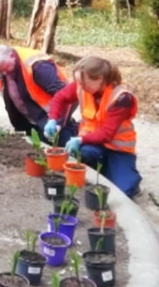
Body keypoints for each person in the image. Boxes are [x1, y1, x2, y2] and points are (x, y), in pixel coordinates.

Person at [46, 56, 142, 198]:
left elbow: (107, 133)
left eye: (83, 82)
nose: (80, 86)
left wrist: (80, 140)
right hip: (92, 145)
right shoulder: (82, 87)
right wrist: (52, 119)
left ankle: (121, 174)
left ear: (99, 78)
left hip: (118, 149)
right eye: (78, 81)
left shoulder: (121, 98)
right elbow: (60, 98)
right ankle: (102, 170)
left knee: (124, 191)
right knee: (86, 155)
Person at [0, 44, 75, 142]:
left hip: (50, 112)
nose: (4, 73)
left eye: (6, 68)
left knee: (57, 140)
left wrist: (57, 122)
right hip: (28, 116)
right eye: (0, 71)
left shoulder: (37, 66)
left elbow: (63, 94)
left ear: (12, 56)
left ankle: (79, 134)